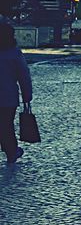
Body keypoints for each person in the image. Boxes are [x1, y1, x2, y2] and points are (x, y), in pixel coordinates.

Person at [0, 23, 33, 164]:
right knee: (6, 125)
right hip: (8, 97)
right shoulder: (14, 54)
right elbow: (23, 76)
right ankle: (11, 152)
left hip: (8, 97)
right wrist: (27, 96)